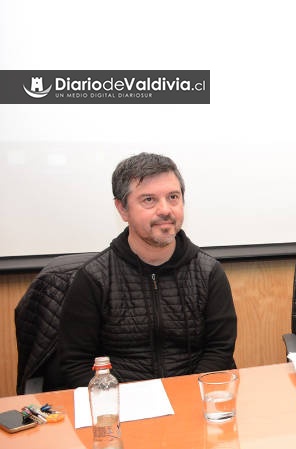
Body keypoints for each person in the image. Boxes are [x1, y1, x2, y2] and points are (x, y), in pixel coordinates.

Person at [48, 152, 238, 390]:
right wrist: (115, 403)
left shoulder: (209, 272)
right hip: (121, 407)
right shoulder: (94, 278)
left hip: (192, 401)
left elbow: (219, 351)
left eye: (173, 197)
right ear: (122, 209)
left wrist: (186, 398)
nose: (165, 210)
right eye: (149, 199)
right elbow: (75, 363)